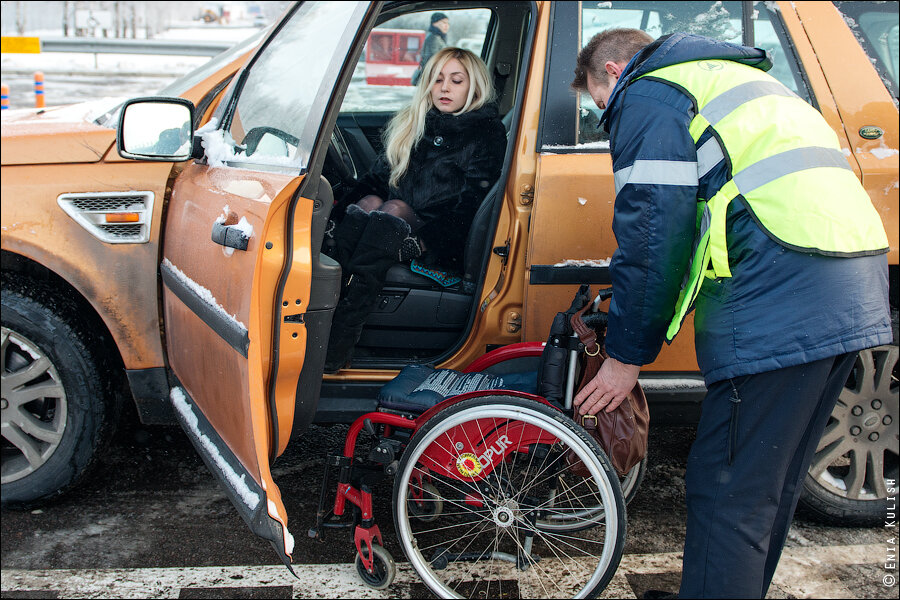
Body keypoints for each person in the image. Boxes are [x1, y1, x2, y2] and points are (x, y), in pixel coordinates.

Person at [570, 29, 892, 599]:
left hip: (781, 299)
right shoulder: (736, 79)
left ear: (616, 73)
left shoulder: (649, 95)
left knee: (727, 488)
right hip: (850, 285)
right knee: (766, 482)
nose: (608, 116)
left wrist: (623, 358)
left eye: (601, 105)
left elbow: (652, 240)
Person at [324, 46, 506, 373]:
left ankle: (340, 335)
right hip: (390, 229)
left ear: (474, 88)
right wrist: (337, 211)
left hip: (437, 241)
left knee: (390, 208)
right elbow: (377, 180)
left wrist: (426, 241)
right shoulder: (415, 123)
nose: (444, 88)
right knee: (370, 203)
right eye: (437, 80)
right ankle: (332, 312)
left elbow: (471, 207)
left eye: (456, 80)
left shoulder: (485, 133)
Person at [411, 12, 449, 86]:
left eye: (448, 23)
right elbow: (432, 60)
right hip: (432, 79)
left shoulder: (437, 37)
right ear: (434, 23)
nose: (447, 25)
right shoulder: (434, 38)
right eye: (444, 22)